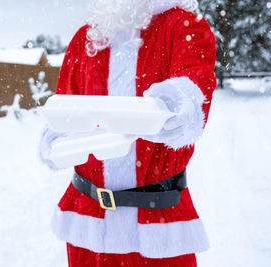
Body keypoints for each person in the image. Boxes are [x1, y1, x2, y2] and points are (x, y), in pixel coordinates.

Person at [39, 0, 217, 266]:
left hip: (158, 225)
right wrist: (56, 139)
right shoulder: (85, 38)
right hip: (88, 223)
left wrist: (175, 105)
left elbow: (193, 85)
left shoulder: (183, 27)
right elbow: (66, 108)